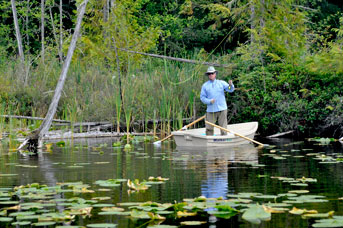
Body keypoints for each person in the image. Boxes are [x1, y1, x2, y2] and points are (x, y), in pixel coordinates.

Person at [200, 66, 234, 136]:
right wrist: (209, 101)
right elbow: (202, 98)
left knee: (223, 128)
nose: (211, 75)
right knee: (209, 128)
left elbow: (230, 89)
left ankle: (224, 141)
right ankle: (209, 141)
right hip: (210, 110)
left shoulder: (221, 83)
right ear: (208, 75)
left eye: (212, 73)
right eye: (209, 74)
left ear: (215, 74)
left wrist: (230, 85)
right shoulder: (205, 86)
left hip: (222, 109)